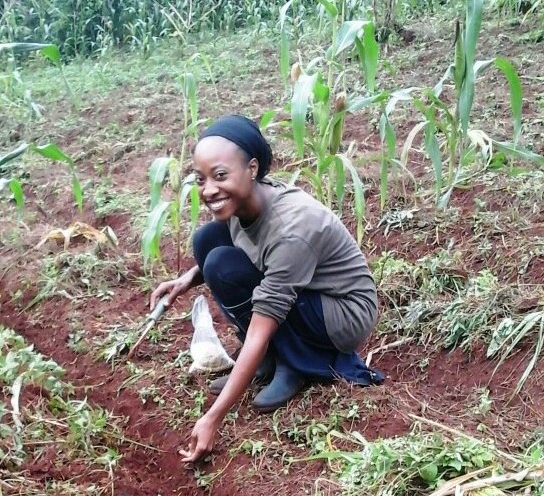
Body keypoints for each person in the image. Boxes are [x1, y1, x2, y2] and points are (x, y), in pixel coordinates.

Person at [149, 114, 384, 463]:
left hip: (342, 313)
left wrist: (213, 416)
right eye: (200, 179)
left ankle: (294, 365)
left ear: (252, 169)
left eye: (220, 175)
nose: (209, 189)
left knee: (223, 267)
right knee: (208, 242)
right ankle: (272, 360)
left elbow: (262, 324)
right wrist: (187, 279)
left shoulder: (291, 228)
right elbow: (249, 248)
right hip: (305, 293)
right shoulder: (247, 203)